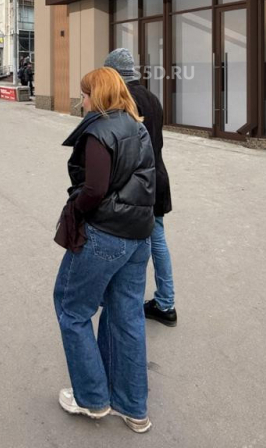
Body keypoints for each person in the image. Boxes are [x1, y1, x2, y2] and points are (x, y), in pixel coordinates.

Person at [53, 67, 155, 434]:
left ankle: (93, 398)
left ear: (98, 95)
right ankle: (134, 407)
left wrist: (76, 209)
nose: (82, 101)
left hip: (105, 235)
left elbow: (94, 189)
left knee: (72, 309)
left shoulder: (100, 131)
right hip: (139, 235)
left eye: (85, 94)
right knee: (126, 317)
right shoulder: (137, 126)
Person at [104, 49, 176, 326]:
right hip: (158, 177)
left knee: (127, 242)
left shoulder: (124, 101)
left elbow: (124, 149)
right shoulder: (152, 97)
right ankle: (166, 301)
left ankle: (124, 301)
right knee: (157, 241)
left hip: (136, 184)